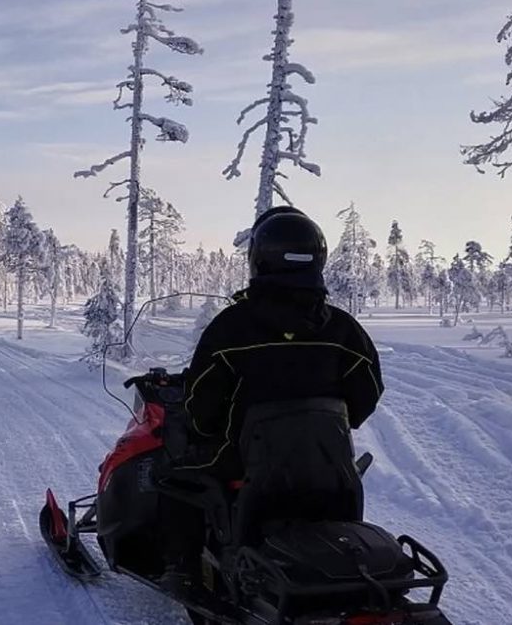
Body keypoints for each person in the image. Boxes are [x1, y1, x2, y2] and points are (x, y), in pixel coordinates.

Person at [161, 205, 384, 590]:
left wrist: (210, 430)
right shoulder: (344, 331)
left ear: (260, 259)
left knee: (172, 467)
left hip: (244, 464)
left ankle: (183, 567)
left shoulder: (230, 329)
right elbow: (367, 393)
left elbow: (200, 407)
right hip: (328, 464)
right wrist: (319, 426)